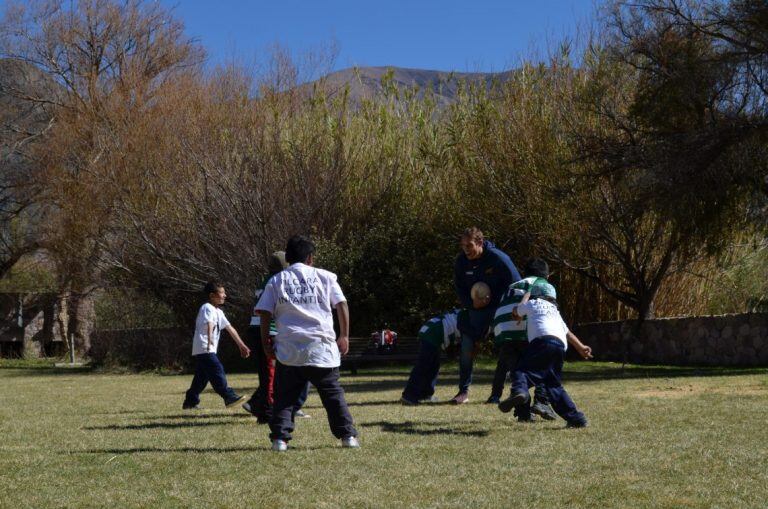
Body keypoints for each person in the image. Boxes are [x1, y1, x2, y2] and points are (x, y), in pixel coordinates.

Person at [256, 235, 359, 451]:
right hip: (321, 347)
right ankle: (347, 437)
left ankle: (280, 440)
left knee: (285, 397)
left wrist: (266, 341)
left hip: (290, 348)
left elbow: (264, 312)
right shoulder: (326, 277)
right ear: (310, 258)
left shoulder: (277, 280)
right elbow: (342, 305)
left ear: (288, 258)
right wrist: (344, 335)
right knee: (332, 395)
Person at [498, 285, 593, 428]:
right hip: (559, 347)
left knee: (521, 371)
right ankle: (576, 419)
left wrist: (526, 296)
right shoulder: (555, 311)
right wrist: (581, 347)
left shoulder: (532, 303)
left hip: (541, 342)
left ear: (536, 296)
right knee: (553, 386)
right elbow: (567, 333)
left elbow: (516, 312)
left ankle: (519, 391)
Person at [451, 227, 521, 404]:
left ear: (480, 243)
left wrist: (513, 308)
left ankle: (497, 394)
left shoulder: (498, 258)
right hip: (476, 310)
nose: (466, 249)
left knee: (505, 349)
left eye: (470, 245)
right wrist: (470, 303)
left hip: (500, 309)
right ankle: (463, 392)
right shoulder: (461, 262)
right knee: (467, 346)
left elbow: (517, 284)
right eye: (463, 246)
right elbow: (459, 289)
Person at [243, 251, 311, 422]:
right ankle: (267, 412)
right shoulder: (276, 282)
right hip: (268, 330)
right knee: (271, 376)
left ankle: (258, 405)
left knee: (271, 374)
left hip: (255, 328)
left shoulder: (265, 281)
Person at [488, 258, 558, 421]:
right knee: (543, 363)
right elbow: (548, 310)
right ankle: (542, 400)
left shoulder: (512, 286)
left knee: (518, 371)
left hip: (504, 331)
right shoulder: (543, 284)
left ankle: (523, 413)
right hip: (524, 328)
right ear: (546, 275)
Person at [182, 282, 251, 410]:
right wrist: (209, 340)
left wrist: (242, 345)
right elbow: (209, 324)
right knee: (216, 369)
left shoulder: (218, 311)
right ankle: (229, 396)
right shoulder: (207, 307)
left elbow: (230, 329)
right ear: (212, 295)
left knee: (201, 378)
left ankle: (190, 401)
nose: (225, 295)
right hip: (205, 347)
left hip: (207, 348)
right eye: (222, 293)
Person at [400, 309, 466, 405]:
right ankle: (409, 395)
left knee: (433, 366)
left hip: (432, 329)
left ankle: (425, 394)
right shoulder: (468, 316)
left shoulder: (463, 312)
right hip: (433, 332)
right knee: (423, 366)